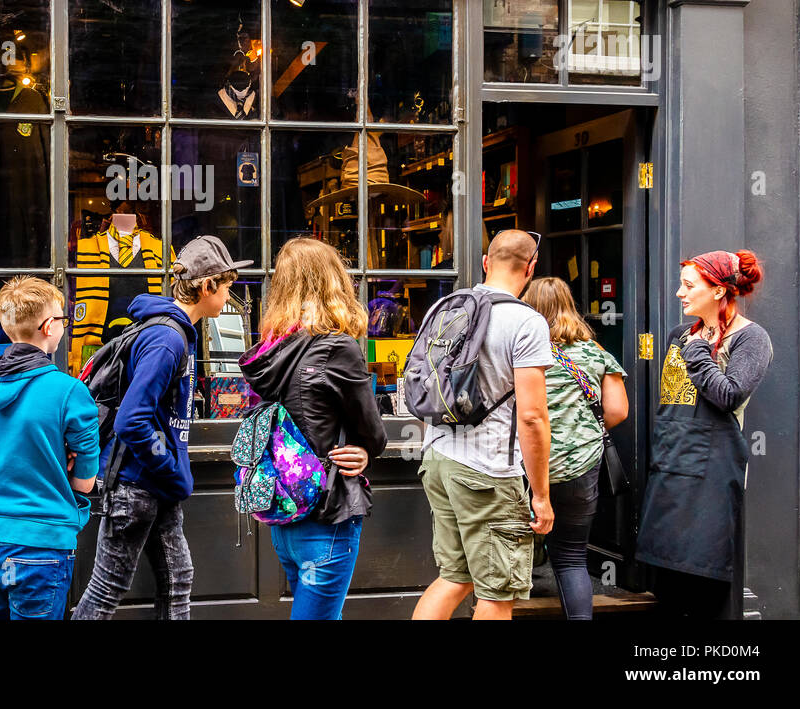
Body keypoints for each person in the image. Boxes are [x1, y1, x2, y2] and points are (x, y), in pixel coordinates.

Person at [73, 235, 251, 620]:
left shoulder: (173, 333)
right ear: (207, 287)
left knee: (177, 578)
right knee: (106, 590)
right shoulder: (167, 340)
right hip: (139, 486)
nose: (229, 295)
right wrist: (171, 472)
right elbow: (132, 419)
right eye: (227, 285)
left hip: (152, 486)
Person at [238, 238, 387, 619]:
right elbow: (373, 433)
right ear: (334, 281)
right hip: (327, 510)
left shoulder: (271, 352)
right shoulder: (338, 348)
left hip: (284, 513)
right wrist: (367, 448)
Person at [412, 228, 555, 620]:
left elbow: (427, 386)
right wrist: (540, 495)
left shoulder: (444, 308)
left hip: (438, 459)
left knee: (454, 577)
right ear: (531, 268)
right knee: (496, 594)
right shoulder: (527, 322)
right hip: (488, 470)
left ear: (486, 263)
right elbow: (531, 415)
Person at [637, 249, 772, 619]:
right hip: (670, 467)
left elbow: (728, 395)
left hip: (711, 475)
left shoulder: (750, 339)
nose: (680, 293)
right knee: (667, 585)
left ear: (717, 291)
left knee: (703, 585)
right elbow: (669, 403)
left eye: (688, 286)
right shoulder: (678, 334)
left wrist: (697, 351)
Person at [0, 276, 100, 619]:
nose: (62, 325)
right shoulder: (69, 391)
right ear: (47, 327)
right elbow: (85, 483)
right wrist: (62, 462)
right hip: (41, 542)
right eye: (61, 319)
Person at [522, 277, 628, 620]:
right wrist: (577, 436)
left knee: (507, 554)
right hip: (581, 467)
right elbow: (617, 411)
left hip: (526, 466)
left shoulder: (523, 351)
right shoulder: (596, 353)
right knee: (570, 558)